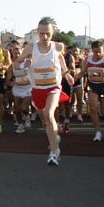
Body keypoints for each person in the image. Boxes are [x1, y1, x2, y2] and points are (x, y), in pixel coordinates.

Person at [13, 17, 73, 166]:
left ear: (53, 32)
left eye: (48, 33)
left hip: (53, 87)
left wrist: (66, 73)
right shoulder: (30, 48)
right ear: (37, 32)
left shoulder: (58, 46)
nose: (45, 37)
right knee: (44, 120)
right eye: (41, 34)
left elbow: (60, 59)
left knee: (48, 114)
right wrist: (24, 65)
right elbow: (16, 63)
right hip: (37, 88)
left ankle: (53, 152)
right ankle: (55, 138)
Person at [77, 40, 104, 142]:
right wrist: (74, 77)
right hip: (92, 85)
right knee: (93, 108)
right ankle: (98, 131)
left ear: (103, 50)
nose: (98, 54)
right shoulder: (87, 59)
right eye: (95, 51)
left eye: (100, 51)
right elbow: (82, 72)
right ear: (92, 50)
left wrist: (99, 74)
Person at [5, 44, 32, 133]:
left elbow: (34, 76)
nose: (17, 55)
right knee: (16, 109)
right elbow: (8, 80)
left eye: (18, 53)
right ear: (12, 53)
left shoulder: (29, 63)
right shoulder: (12, 66)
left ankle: (27, 116)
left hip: (28, 88)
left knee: (23, 108)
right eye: (15, 53)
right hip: (17, 89)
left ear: (22, 53)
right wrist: (10, 83)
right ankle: (20, 125)